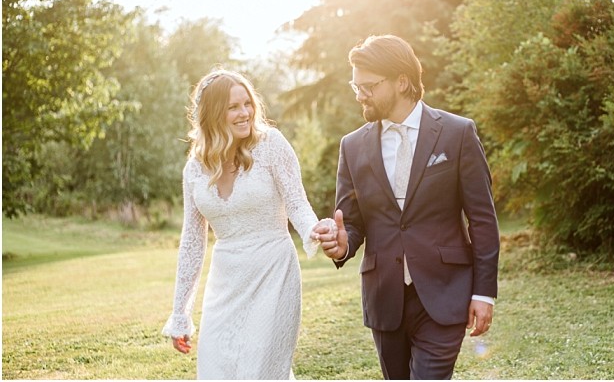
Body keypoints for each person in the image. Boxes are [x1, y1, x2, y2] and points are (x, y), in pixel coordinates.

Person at [312, 34, 500, 379]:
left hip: (446, 293)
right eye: (356, 87)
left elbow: (483, 221)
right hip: (384, 299)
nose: (360, 95)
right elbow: (351, 224)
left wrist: (484, 292)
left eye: (368, 86)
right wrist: (341, 245)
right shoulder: (352, 146)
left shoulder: (457, 134)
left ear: (402, 81)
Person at [162, 69, 335, 379]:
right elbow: (191, 241)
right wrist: (180, 314)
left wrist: (313, 229)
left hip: (274, 273)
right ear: (213, 114)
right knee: (217, 371)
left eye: (247, 104)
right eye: (233, 107)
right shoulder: (195, 169)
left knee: (260, 372)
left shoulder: (271, 144)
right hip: (225, 282)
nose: (244, 113)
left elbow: (296, 202)